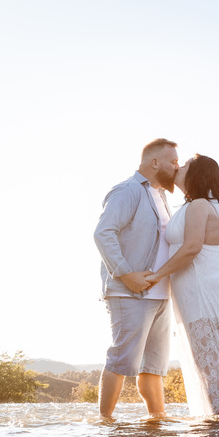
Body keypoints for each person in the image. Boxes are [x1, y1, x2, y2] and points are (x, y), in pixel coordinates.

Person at [147, 155, 219, 418]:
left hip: (205, 289)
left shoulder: (199, 204)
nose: (178, 166)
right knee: (211, 362)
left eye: (184, 165)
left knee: (211, 363)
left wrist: (156, 276)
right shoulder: (199, 204)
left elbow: (192, 248)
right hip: (201, 288)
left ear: (195, 174)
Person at [92, 138, 179, 420]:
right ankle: (105, 424)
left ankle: (158, 422)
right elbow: (103, 233)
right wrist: (126, 274)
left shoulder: (162, 196)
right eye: (172, 161)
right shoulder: (127, 191)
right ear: (154, 162)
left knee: (153, 368)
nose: (176, 167)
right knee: (121, 361)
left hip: (161, 294)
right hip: (129, 292)